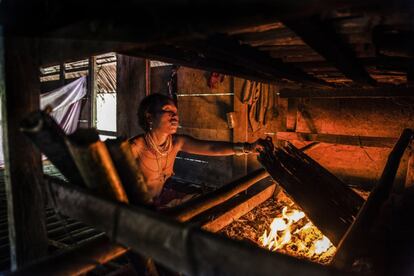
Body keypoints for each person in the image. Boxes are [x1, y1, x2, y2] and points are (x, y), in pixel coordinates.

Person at [129, 93, 264, 206]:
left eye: (176, 112)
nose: (175, 116)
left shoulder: (176, 143)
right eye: (167, 110)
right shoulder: (135, 147)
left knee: (206, 202)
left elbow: (212, 148)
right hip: (138, 210)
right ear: (149, 116)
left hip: (159, 202)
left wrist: (247, 148)